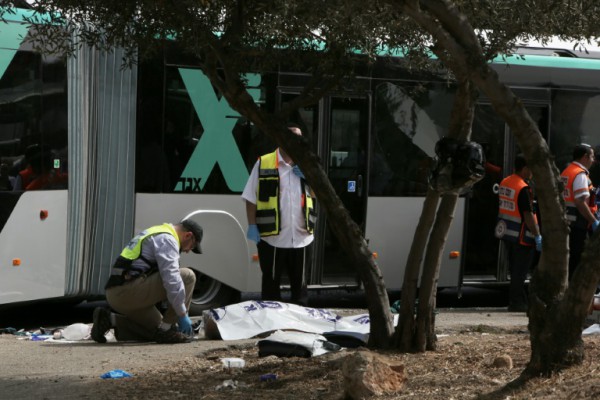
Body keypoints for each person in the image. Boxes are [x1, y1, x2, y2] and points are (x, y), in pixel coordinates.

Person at [91, 219, 203, 344]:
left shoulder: (157, 232)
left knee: (158, 330)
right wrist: (182, 314)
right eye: (191, 246)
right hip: (127, 292)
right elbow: (171, 279)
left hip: (119, 293)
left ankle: (109, 319)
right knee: (188, 275)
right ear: (188, 235)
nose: (188, 251)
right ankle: (166, 331)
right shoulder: (167, 240)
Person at [241, 123, 316, 306]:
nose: (297, 142)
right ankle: (272, 323)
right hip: (273, 239)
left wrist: (310, 178)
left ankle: (300, 325)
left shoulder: (308, 163)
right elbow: (251, 198)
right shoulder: (264, 162)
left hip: (302, 237)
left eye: (300, 138)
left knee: (300, 289)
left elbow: (317, 195)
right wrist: (252, 225)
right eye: (293, 138)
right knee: (271, 288)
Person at [495, 154, 542, 312]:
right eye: (531, 169)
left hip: (508, 233)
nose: (532, 172)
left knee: (515, 269)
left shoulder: (505, 182)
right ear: (525, 168)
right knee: (519, 272)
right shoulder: (523, 188)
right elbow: (528, 215)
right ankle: (516, 303)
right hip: (522, 236)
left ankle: (518, 300)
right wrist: (537, 235)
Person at [561, 143, 600, 279]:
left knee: (570, 260)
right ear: (585, 157)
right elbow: (580, 202)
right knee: (578, 260)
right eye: (592, 157)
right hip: (579, 224)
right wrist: (594, 221)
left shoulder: (567, 171)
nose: (593, 160)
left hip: (568, 223)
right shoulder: (580, 175)